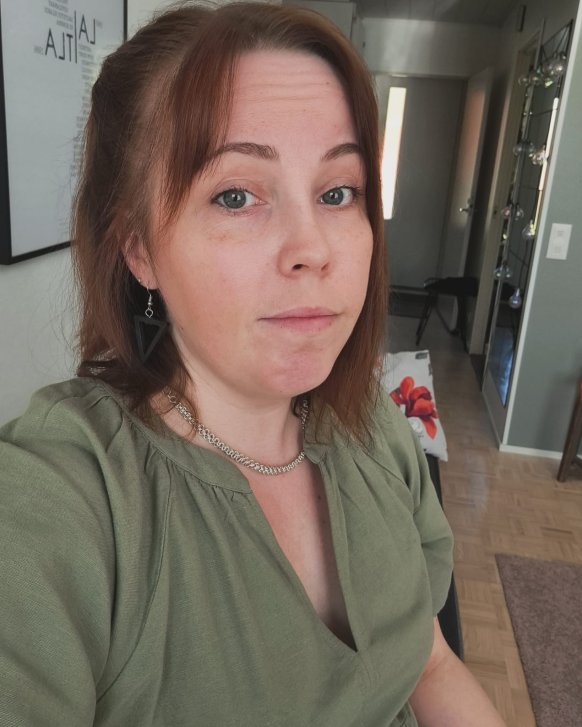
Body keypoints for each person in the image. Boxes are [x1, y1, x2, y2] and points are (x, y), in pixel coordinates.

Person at [0, 3, 506, 725]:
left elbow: (429, 663)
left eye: (338, 192)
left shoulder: (375, 425)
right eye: (236, 195)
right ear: (140, 250)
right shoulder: (65, 497)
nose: (313, 248)